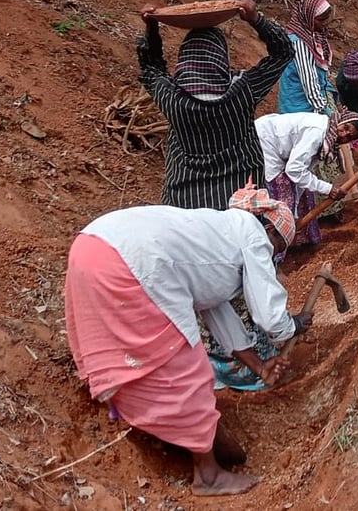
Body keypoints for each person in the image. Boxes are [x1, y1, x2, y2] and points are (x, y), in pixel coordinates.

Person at [64, 183, 310, 496]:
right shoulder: (255, 237)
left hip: (91, 246)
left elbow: (218, 312)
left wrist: (259, 367)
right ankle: (208, 476)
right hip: (133, 262)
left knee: (137, 350)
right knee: (189, 370)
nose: (273, 256)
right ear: (273, 235)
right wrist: (292, 326)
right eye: (278, 251)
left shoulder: (218, 233)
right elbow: (269, 316)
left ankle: (143, 418)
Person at [138, 0, 294, 210]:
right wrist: (256, 20)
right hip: (239, 203)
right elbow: (283, 52)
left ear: (184, 60)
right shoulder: (243, 92)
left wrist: (152, 28)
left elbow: (150, 67)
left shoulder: (172, 98)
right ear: (221, 58)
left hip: (184, 204)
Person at [254, 111, 358, 252]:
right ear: (342, 120)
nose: (344, 135)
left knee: (304, 193)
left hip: (280, 147)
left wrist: (319, 189)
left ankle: (298, 243)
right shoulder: (317, 133)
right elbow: (294, 170)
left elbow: (303, 170)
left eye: (349, 137)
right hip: (266, 141)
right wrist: (328, 188)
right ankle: (274, 249)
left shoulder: (328, 136)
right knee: (282, 195)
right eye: (346, 128)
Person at [278, 0, 336, 115]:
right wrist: (326, 110)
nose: (324, 23)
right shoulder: (299, 42)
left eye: (326, 19)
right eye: (320, 20)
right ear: (309, 17)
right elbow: (308, 81)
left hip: (310, 102)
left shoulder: (313, 35)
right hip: (298, 107)